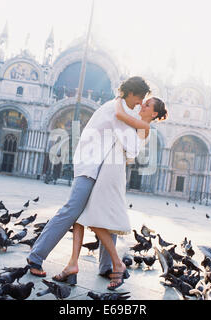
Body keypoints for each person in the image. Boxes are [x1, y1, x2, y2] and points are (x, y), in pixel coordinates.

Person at [26, 76, 151, 277]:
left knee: (107, 211)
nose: (139, 102)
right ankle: (36, 257)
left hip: (99, 167)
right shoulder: (115, 109)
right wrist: (145, 125)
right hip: (90, 166)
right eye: (139, 97)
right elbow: (131, 147)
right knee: (71, 210)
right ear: (130, 92)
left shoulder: (121, 109)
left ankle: (106, 267)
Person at [53, 96, 168, 290]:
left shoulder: (143, 126)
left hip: (112, 171)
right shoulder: (137, 122)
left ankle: (116, 263)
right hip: (106, 166)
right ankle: (73, 264)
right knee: (81, 216)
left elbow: (118, 113)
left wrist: (119, 98)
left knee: (91, 218)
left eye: (147, 105)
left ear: (154, 113)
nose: (142, 105)